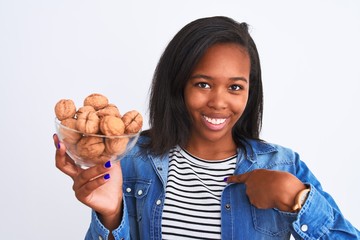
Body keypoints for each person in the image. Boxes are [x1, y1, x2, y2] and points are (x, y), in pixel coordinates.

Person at [53, 16, 360, 240]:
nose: (219, 102)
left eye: (235, 87)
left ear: (250, 91)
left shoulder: (282, 165)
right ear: (178, 85)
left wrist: (297, 197)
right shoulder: (134, 161)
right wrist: (109, 217)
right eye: (203, 84)